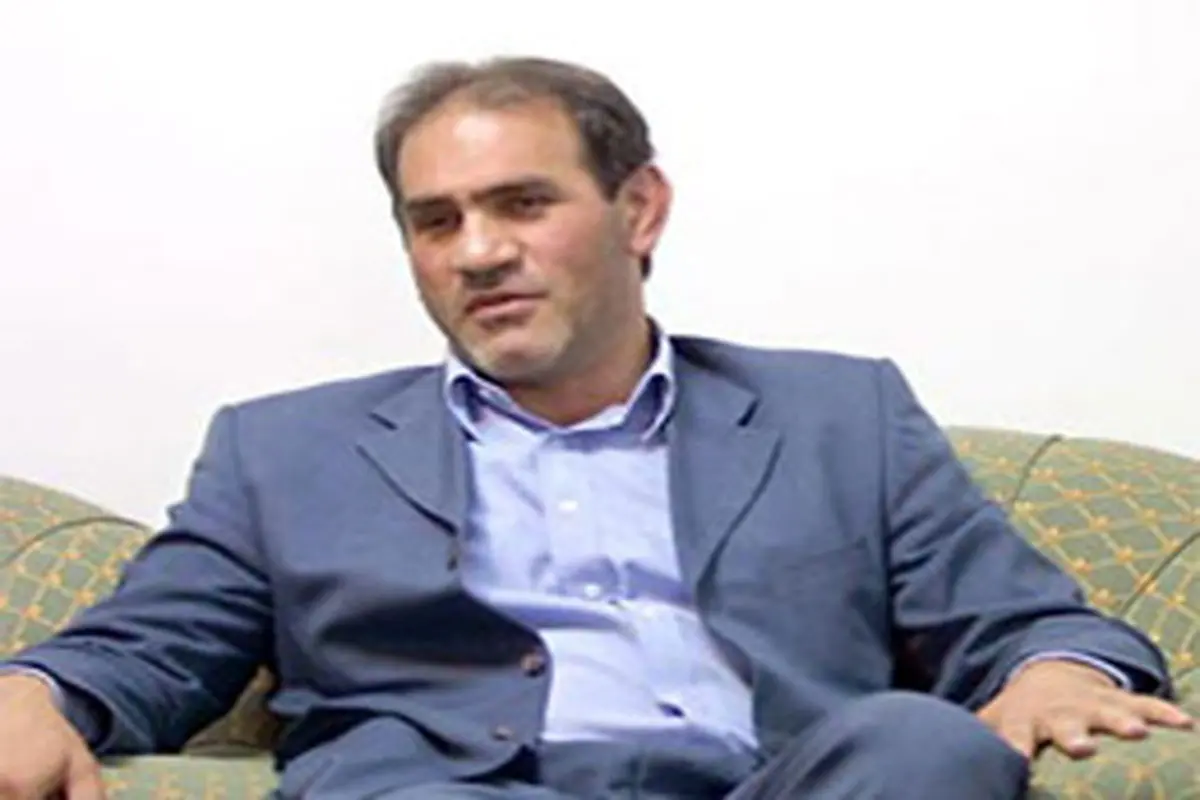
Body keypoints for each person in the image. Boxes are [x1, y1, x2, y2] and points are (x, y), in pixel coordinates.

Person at [0, 55, 1192, 800]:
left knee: (927, 745)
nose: (478, 250)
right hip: (447, 788)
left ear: (639, 208)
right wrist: (39, 688)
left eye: (522, 203)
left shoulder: (842, 413)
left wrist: (1054, 670)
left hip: (775, 782)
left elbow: (1026, 618)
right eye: (436, 219)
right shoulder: (283, 449)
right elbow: (152, 641)